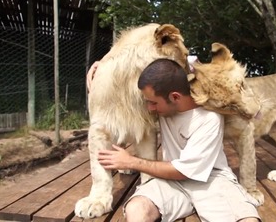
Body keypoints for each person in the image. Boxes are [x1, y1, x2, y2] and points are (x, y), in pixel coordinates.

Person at [93, 59, 260, 222]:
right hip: (171, 182)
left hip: (211, 180)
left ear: (175, 97)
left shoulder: (209, 118)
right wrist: (104, 65)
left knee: (248, 219)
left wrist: (131, 162)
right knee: (136, 209)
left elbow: (183, 171)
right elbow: (175, 57)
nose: (150, 108)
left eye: (153, 103)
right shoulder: (166, 106)